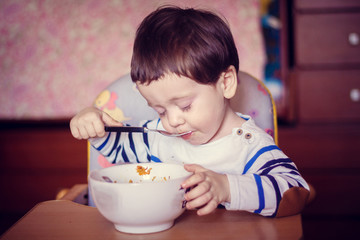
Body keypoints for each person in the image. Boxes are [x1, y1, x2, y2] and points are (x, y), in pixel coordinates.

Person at [70, 6, 310, 217]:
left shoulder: (250, 147)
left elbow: (294, 193)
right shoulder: (157, 136)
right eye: (160, 111)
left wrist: (227, 188)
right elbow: (119, 148)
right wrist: (95, 125)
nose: (172, 121)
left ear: (225, 83)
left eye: (185, 106)